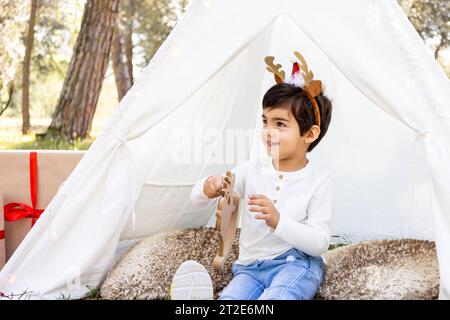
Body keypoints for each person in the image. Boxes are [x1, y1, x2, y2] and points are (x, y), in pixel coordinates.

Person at [170, 51, 333, 300]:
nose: (268, 131)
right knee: (231, 300)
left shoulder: (318, 180)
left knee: (280, 296)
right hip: (249, 268)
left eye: (280, 124)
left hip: (295, 262)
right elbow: (196, 198)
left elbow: (320, 242)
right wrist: (208, 187)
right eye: (265, 121)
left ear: (309, 134)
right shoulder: (251, 170)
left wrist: (279, 221)